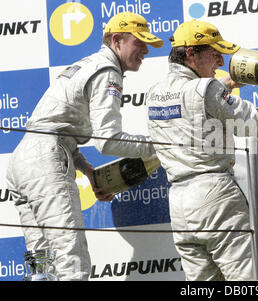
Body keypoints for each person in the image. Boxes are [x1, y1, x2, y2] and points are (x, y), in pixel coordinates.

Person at [145, 19, 258, 281]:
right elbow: (257, 123)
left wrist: (227, 84)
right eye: (214, 54)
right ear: (190, 53)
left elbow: (192, 104)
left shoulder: (155, 92)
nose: (220, 62)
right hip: (215, 197)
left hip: (178, 204)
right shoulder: (205, 89)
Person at [5, 12, 163, 281]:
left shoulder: (87, 64)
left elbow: (53, 129)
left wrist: (88, 171)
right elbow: (108, 141)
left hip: (23, 161)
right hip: (46, 161)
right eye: (140, 42)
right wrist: (157, 146)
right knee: (71, 262)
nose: (146, 50)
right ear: (117, 40)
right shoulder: (108, 71)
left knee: (42, 268)